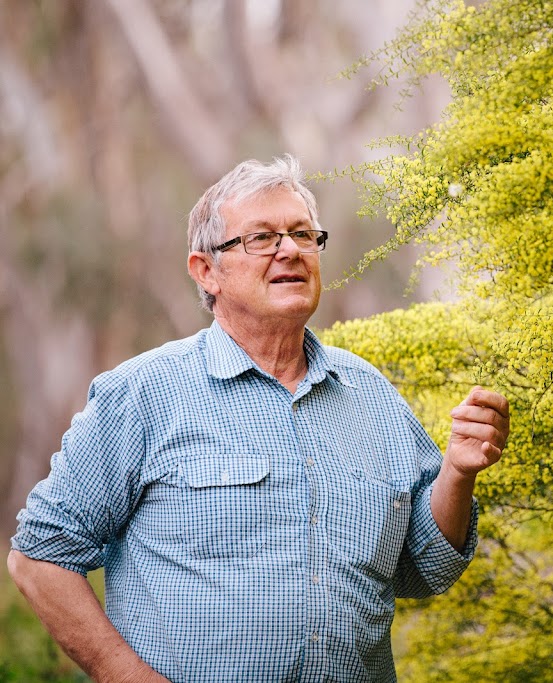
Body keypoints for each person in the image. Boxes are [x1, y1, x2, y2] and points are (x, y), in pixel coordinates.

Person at [7, 155, 510, 682]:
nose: (290, 250)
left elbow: (425, 566)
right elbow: (39, 558)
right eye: (262, 238)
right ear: (207, 271)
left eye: (303, 234)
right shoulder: (143, 394)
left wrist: (457, 472)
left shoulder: (371, 395)